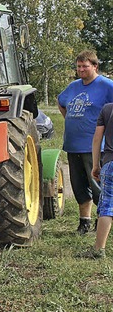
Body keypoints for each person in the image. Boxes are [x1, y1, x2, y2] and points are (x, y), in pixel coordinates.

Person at [58, 50, 113, 234]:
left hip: (94, 146)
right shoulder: (73, 86)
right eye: (79, 66)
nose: (81, 69)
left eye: (85, 66)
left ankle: (102, 221)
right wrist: (70, 119)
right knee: (79, 186)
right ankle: (85, 222)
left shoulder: (106, 86)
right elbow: (61, 102)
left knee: (97, 185)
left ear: (95, 66)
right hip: (73, 145)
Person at [85, 102, 113, 258]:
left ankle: (99, 249)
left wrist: (96, 165)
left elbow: (97, 139)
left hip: (111, 164)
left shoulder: (108, 109)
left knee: (108, 206)